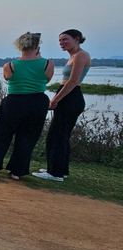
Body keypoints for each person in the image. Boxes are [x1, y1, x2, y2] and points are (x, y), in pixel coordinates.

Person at [0, 32, 54, 180]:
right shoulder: (48, 64)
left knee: (0, 135)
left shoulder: (10, 66)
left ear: (19, 47)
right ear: (37, 46)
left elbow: (7, 78)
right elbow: (47, 79)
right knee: (28, 137)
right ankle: (17, 172)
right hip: (38, 101)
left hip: (14, 101)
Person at [33, 29, 92, 182]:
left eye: (65, 39)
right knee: (61, 135)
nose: (61, 43)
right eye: (60, 40)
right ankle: (61, 169)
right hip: (68, 96)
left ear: (76, 39)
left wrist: (55, 100)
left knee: (57, 135)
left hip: (71, 97)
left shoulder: (81, 55)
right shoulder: (73, 56)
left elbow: (72, 82)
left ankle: (55, 173)